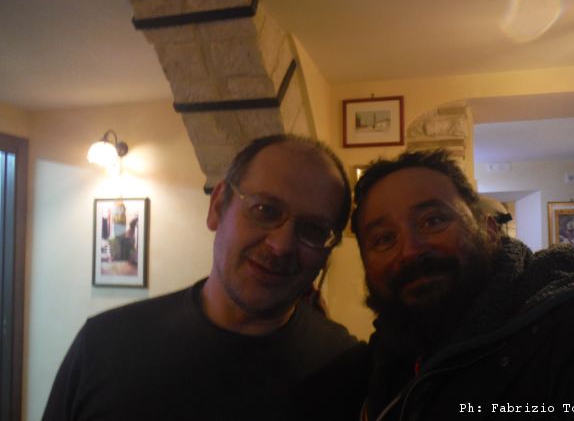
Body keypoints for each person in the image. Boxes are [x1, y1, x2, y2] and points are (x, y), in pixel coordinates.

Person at [43, 134, 362, 421]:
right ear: (217, 206)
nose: (281, 245)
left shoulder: (348, 369)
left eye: (313, 230)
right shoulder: (105, 344)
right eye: (265, 210)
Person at [351, 149, 574, 421]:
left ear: (490, 231)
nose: (409, 251)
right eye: (384, 239)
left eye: (433, 221)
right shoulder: (379, 360)